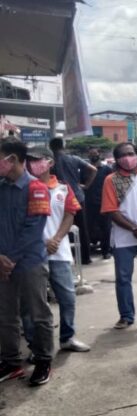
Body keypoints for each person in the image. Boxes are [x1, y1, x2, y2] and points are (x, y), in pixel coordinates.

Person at [0, 138, 55, 386]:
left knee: (38, 313)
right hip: (3, 263)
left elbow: (33, 231)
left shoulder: (36, 188)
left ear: (12, 159)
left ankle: (43, 360)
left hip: (29, 262)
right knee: (5, 314)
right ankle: (11, 362)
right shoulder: (1, 187)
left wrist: (7, 259)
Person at [25, 145, 91, 352]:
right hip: (32, 254)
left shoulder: (63, 188)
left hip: (59, 252)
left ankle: (67, 337)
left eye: (38, 160)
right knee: (31, 304)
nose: (33, 164)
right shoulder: (25, 188)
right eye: (30, 160)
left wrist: (56, 239)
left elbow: (69, 214)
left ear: (50, 162)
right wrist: (43, 241)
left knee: (67, 297)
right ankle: (35, 345)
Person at [101, 142, 137, 330]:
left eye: (131, 153)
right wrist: (135, 229)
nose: (127, 158)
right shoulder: (111, 180)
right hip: (124, 238)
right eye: (123, 155)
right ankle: (126, 316)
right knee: (123, 279)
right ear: (116, 160)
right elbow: (111, 211)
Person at [50, 137, 97, 265]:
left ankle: (62, 257)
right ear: (63, 146)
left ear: (51, 147)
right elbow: (93, 169)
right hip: (77, 196)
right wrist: (86, 185)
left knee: (59, 228)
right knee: (82, 228)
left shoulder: (51, 162)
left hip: (60, 198)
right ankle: (86, 258)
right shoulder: (73, 159)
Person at [86, 147, 113, 259]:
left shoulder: (106, 169)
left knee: (105, 228)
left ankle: (105, 251)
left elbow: (112, 186)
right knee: (87, 228)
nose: (93, 156)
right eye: (91, 154)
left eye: (95, 153)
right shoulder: (85, 169)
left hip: (103, 204)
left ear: (99, 154)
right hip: (88, 204)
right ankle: (86, 254)